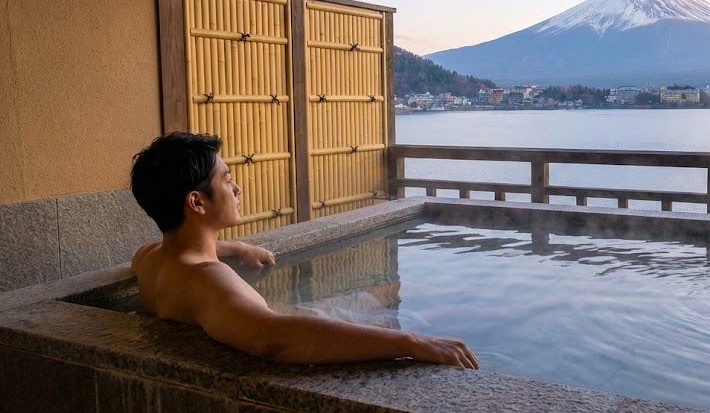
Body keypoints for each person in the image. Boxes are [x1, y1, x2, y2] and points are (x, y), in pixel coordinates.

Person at [129, 132, 479, 369]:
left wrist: (234, 245)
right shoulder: (208, 279)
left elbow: (161, 249)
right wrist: (411, 343)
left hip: (298, 312)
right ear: (196, 202)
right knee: (415, 314)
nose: (236, 188)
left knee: (371, 298)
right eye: (226, 179)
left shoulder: (152, 261)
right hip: (301, 329)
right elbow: (273, 337)